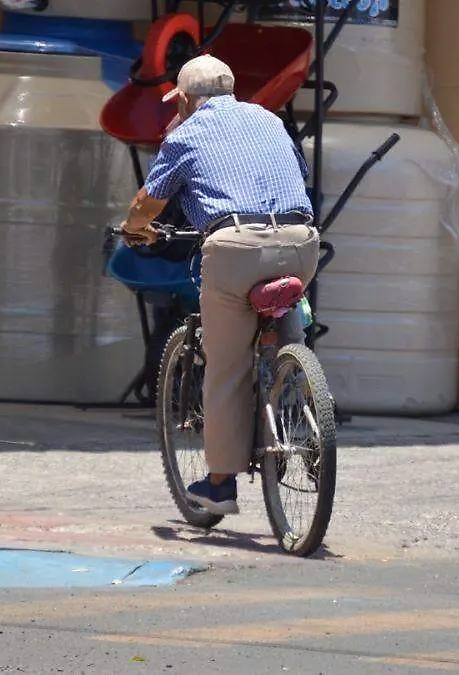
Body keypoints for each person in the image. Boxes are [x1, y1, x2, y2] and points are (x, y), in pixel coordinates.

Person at [119, 54, 319, 516]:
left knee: (227, 369)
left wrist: (134, 229)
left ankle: (220, 484)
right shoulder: (269, 121)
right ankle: (302, 404)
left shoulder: (185, 134)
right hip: (300, 240)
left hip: (235, 248)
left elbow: (148, 204)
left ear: (185, 98)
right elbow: (297, 179)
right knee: (286, 319)